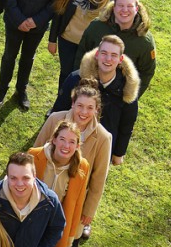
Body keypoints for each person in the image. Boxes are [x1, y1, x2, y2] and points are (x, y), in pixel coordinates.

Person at [37, 81, 112, 247]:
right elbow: (37, 152)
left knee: (71, 243)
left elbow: (99, 180)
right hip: (46, 192)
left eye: (90, 108)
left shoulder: (103, 137)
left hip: (75, 201)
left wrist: (88, 212)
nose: (84, 112)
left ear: (96, 110)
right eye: (80, 106)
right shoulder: (55, 120)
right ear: (73, 104)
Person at [23, 121, 89, 247]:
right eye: (62, 139)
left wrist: (70, 234)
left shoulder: (82, 166)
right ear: (53, 139)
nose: (66, 146)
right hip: (31, 217)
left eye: (72, 142)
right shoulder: (34, 155)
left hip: (56, 222)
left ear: (77, 146)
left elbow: (77, 202)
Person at [52, 35, 140, 165]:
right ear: (97, 55)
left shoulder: (127, 90)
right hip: (68, 145)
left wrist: (119, 152)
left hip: (100, 149)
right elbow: (59, 109)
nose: (108, 59)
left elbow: (127, 125)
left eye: (113, 55)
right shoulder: (75, 79)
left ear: (120, 59)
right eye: (104, 53)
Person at [49, 0, 123, 95]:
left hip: (93, 44)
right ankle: (60, 105)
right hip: (68, 39)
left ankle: (79, 108)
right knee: (66, 74)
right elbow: (59, 10)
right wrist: (52, 39)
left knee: (86, 78)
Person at [74, 0, 156, 96]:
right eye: (121, 5)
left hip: (118, 96)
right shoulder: (96, 27)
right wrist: (79, 85)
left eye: (129, 6)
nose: (125, 10)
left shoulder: (145, 41)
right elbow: (81, 54)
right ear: (114, 7)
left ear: (136, 9)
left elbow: (147, 72)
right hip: (90, 90)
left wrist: (131, 96)